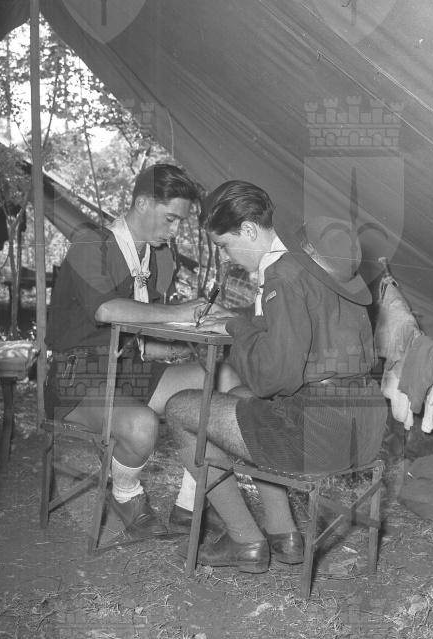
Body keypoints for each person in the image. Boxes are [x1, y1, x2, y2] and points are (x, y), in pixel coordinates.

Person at [165, 180, 387, 573]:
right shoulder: (323, 267)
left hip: (319, 435)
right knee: (241, 396)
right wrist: (238, 321)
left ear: (249, 230)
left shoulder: (282, 276)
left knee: (181, 408)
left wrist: (236, 329)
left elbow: (272, 378)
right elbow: (304, 333)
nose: (227, 257)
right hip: (364, 425)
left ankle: (244, 539)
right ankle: (283, 534)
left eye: (225, 245)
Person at [45, 163, 237, 543]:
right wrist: (180, 313)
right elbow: (107, 310)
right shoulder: (91, 245)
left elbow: (148, 331)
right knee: (141, 425)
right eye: (171, 219)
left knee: (224, 381)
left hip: (132, 369)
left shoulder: (161, 258)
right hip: (77, 375)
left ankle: (190, 503)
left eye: (180, 221)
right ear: (143, 202)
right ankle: (126, 494)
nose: (175, 230)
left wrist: (202, 327)